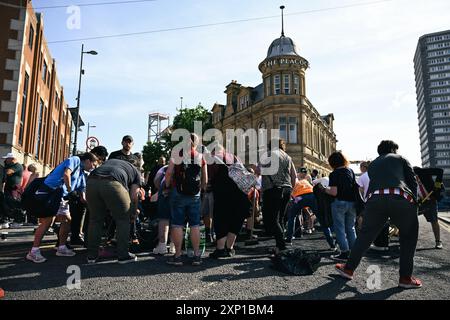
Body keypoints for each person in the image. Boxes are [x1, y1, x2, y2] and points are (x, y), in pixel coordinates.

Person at [335, 140, 422, 289]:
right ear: (393, 149)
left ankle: (348, 269)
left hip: (375, 200)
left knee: (365, 236)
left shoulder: (373, 164)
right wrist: (414, 203)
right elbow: (411, 181)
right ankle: (405, 278)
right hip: (399, 197)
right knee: (408, 237)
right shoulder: (400, 158)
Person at [26, 153, 98, 263]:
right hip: (50, 192)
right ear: (88, 160)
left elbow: (83, 195)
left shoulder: (82, 175)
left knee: (67, 220)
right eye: (94, 164)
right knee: (47, 222)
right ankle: (33, 252)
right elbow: (66, 174)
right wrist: (70, 190)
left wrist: (92, 206)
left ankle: (61, 247)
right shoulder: (75, 160)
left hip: (61, 197)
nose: (93, 167)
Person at [86, 159, 141, 264]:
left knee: (95, 220)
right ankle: (123, 255)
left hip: (91, 182)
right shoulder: (135, 171)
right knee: (123, 219)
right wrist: (133, 212)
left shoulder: (112, 162)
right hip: (113, 182)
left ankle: (92, 256)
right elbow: (134, 196)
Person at [164, 133, 207, 266]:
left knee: (177, 224)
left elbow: (169, 172)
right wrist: (202, 190)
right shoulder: (200, 156)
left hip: (179, 192)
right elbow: (205, 177)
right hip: (195, 194)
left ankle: (177, 256)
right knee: (195, 225)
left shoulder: (177, 154)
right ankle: (196, 256)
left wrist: (166, 186)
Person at [209, 145, 251, 259]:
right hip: (240, 195)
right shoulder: (235, 158)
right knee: (236, 220)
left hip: (223, 195)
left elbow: (210, 177)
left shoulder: (213, 160)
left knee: (221, 219)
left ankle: (220, 249)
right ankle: (229, 248)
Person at [259, 139, 297, 255]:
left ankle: (282, 246)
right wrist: (291, 190)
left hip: (273, 189)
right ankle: (279, 247)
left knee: (272, 219)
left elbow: (260, 170)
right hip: (287, 189)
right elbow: (294, 175)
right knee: (280, 218)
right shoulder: (287, 157)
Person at [324, 151, 358, 261]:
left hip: (339, 203)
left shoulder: (334, 174)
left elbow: (334, 192)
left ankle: (344, 252)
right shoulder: (350, 171)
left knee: (340, 229)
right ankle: (354, 252)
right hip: (352, 203)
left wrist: (324, 189)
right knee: (351, 228)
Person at [414, 166, 445, 249]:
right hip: (419, 202)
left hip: (431, 200)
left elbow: (440, 170)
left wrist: (437, 185)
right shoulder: (407, 177)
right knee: (410, 219)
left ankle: (438, 242)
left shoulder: (423, 172)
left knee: (434, 220)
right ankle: (408, 240)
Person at [1, 153, 23, 222]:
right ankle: (7, 219)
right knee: (7, 203)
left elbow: (8, 172)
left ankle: (17, 220)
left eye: (7, 159)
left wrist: (1, 170)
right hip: (8, 188)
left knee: (14, 204)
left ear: (12, 159)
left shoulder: (17, 166)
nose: (6, 160)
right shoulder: (9, 165)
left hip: (14, 188)